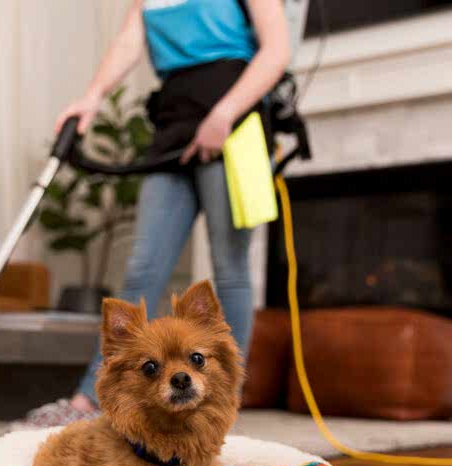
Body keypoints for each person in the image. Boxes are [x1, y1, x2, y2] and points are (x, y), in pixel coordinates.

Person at [18, 0, 290, 428]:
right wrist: (91, 98)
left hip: (234, 126)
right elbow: (129, 42)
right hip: (171, 130)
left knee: (230, 267)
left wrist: (224, 115)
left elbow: (276, 51)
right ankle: (90, 400)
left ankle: (224, 402)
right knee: (142, 269)